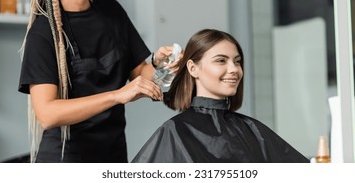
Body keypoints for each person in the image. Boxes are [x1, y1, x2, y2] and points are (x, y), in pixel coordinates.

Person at [18, 0, 177, 163]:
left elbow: (141, 78)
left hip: (112, 158)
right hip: (65, 163)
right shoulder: (44, 32)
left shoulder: (112, 13)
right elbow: (47, 113)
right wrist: (117, 95)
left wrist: (161, 66)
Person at [132, 29, 309, 163]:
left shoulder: (253, 130)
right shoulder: (174, 132)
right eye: (221, 60)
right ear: (193, 68)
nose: (234, 69)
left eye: (237, 61)